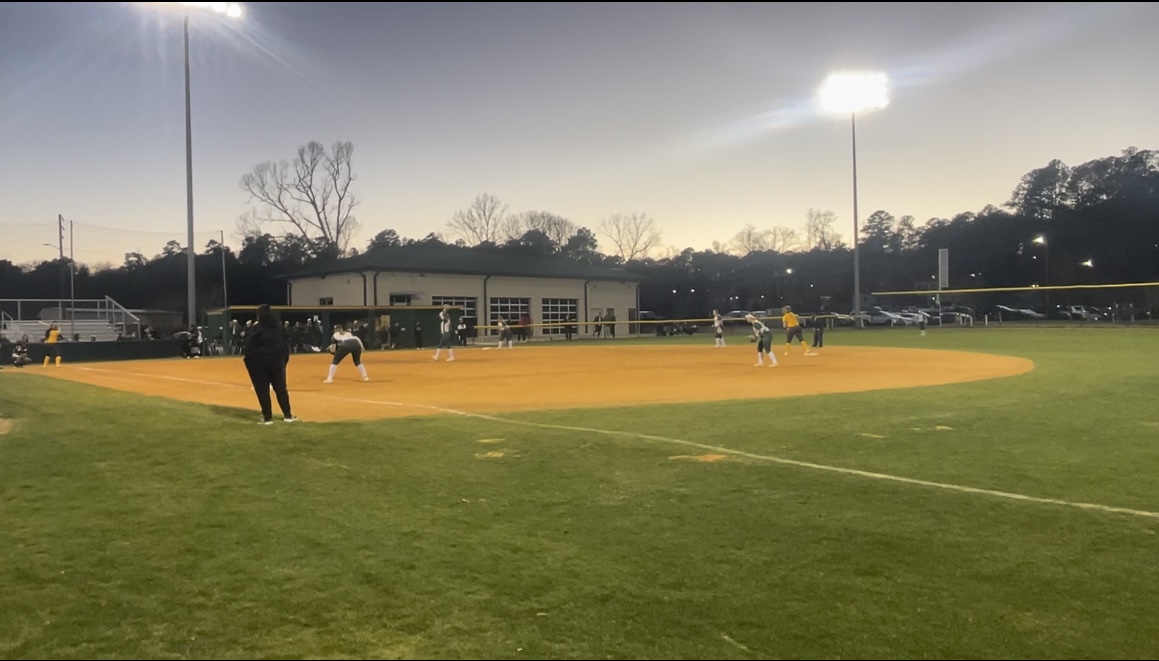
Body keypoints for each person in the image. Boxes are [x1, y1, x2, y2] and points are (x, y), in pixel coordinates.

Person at [241, 304, 297, 425]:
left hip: (258, 363)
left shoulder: (256, 329)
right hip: (276, 361)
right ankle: (288, 415)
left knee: (262, 390)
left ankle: (267, 418)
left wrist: (248, 362)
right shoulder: (279, 328)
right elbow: (285, 347)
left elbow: (248, 346)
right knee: (281, 389)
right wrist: (283, 362)